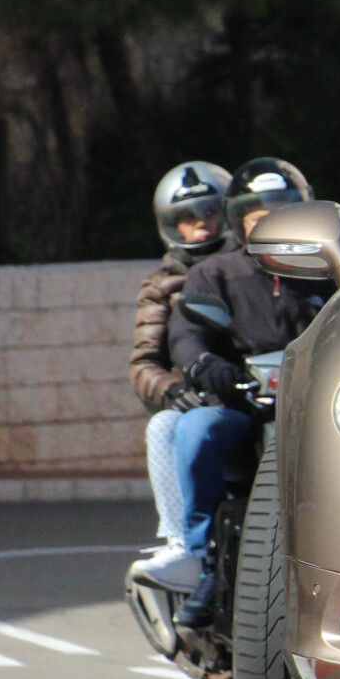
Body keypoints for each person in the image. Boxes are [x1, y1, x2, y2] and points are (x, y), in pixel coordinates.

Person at [144, 159, 324, 626]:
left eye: (282, 209)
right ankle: (200, 560)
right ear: (238, 218)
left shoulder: (324, 271)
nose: (269, 219)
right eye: (256, 212)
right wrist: (206, 365)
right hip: (242, 407)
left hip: (314, 412)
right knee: (194, 428)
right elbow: (186, 333)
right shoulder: (214, 273)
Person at [129, 161, 230, 561]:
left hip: (254, 389)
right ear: (172, 225)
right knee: (162, 427)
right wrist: (172, 392)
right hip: (196, 399)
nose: (200, 224)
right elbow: (142, 364)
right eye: (187, 217)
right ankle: (179, 545)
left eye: (209, 212)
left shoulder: (249, 266)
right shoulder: (160, 285)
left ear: (227, 213)